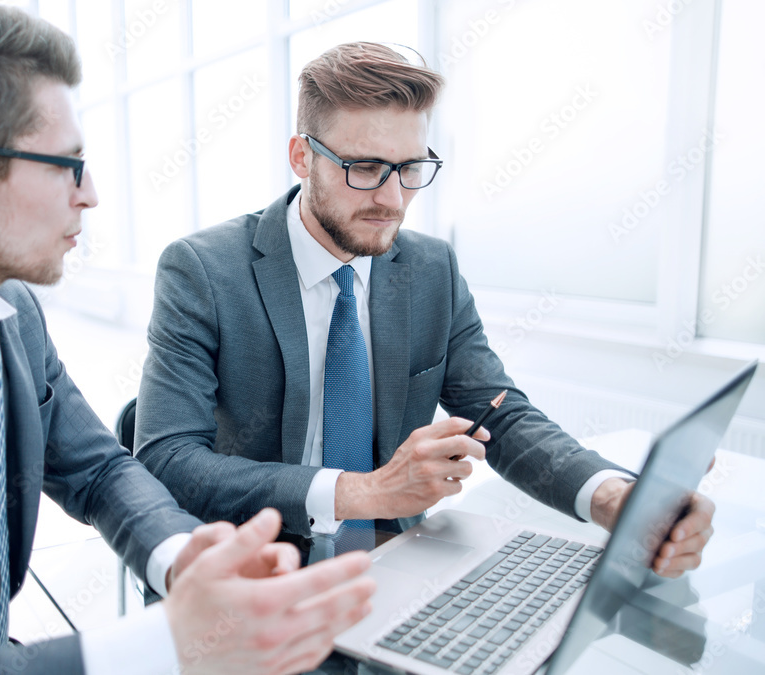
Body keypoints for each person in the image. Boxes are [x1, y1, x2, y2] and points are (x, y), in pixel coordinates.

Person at [0, 2, 376, 674]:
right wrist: (163, 643)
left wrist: (183, 555)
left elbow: (98, 467)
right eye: (66, 164)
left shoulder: (10, 310)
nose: (89, 195)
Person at [135, 42, 714, 580]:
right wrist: (364, 492)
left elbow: (499, 413)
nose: (392, 199)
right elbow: (168, 457)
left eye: (411, 169)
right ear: (301, 157)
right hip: (253, 572)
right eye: (364, 168)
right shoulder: (204, 271)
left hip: (395, 562)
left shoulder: (430, 269)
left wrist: (613, 498)